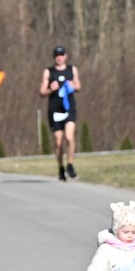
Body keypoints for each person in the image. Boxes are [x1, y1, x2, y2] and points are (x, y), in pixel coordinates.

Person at [40, 47, 81, 180]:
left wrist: (73, 86)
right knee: (58, 142)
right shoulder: (48, 72)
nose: (59, 57)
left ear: (65, 56)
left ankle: (70, 164)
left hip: (69, 108)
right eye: (57, 55)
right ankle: (60, 167)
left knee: (69, 137)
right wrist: (50, 89)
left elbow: (78, 86)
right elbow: (41, 92)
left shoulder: (72, 70)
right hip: (55, 110)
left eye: (61, 55)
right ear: (54, 57)